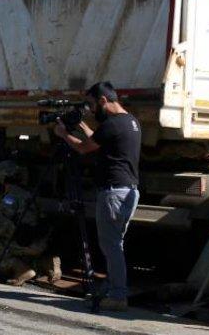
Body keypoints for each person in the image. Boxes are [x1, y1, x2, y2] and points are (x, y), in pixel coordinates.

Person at [53, 81, 142, 312]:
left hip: (113, 193)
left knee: (111, 246)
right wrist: (82, 125)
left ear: (103, 100)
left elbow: (84, 148)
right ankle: (113, 289)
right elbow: (101, 142)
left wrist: (64, 135)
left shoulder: (112, 125)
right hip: (128, 191)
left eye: (93, 105)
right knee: (115, 244)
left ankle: (118, 295)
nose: (92, 110)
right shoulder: (130, 122)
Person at [0, 161, 55, 286]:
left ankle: (21, 270)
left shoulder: (9, 199)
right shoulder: (28, 194)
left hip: (25, 243)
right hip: (40, 242)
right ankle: (46, 261)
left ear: (2, 177)